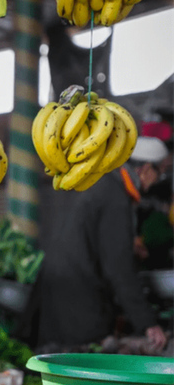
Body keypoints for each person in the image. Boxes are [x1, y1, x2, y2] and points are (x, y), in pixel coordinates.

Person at [28, 136, 169, 352]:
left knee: (53, 363)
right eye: (160, 173)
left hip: (57, 284)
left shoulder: (101, 182)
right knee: (78, 365)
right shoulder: (115, 195)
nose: (157, 181)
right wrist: (147, 322)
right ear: (146, 169)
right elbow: (118, 267)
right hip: (78, 296)